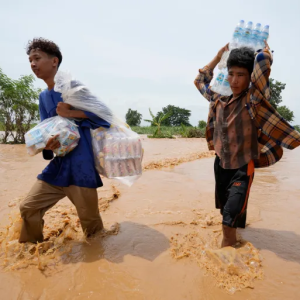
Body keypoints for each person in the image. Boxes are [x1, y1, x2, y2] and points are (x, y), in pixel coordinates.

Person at [194, 41, 300, 247]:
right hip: (221, 165)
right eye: (231, 74)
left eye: (240, 75)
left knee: (228, 219)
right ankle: (239, 233)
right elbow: (199, 81)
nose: (234, 80)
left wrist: (262, 48)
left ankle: (227, 259)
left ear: (250, 77)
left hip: (243, 167)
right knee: (228, 211)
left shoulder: (253, 98)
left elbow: (262, 62)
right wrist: (218, 58)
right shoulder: (217, 99)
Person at [19, 38, 110, 243]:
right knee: (28, 208)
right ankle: (32, 254)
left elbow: (106, 116)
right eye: (30, 60)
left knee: (92, 229)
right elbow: (46, 133)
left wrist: (72, 112)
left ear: (54, 61)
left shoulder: (73, 87)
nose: (33, 64)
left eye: (37, 58)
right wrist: (47, 146)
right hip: (57, 168)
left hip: (81, 168)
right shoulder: (43, 97)